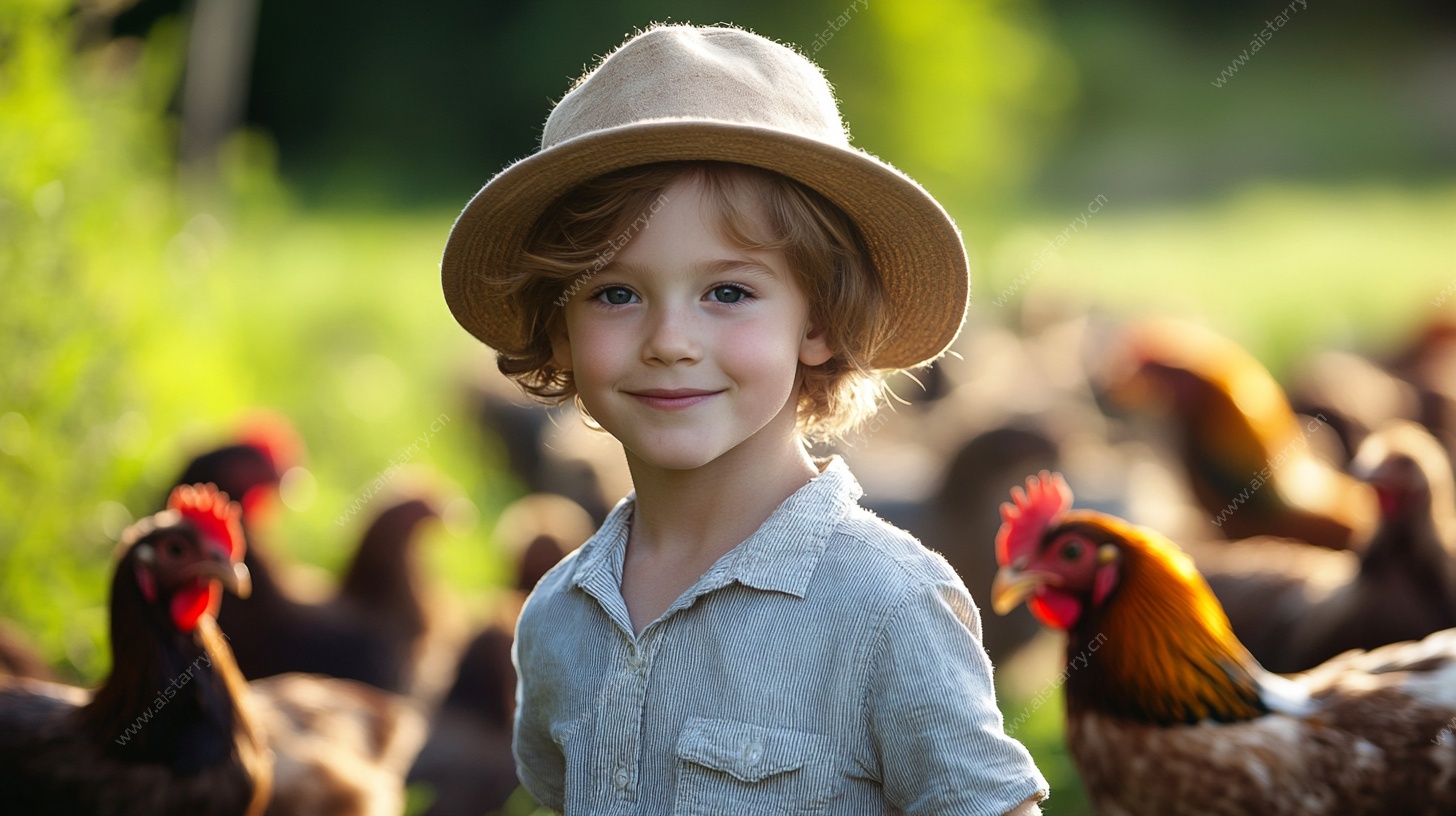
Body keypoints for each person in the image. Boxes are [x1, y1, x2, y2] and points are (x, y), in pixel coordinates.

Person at [440, 22, 1050, 815]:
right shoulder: (558, 618)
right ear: (558, 328)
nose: (669, 343)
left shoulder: (887, 605)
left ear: (819, 321)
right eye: (614, 293)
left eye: (728, 292)